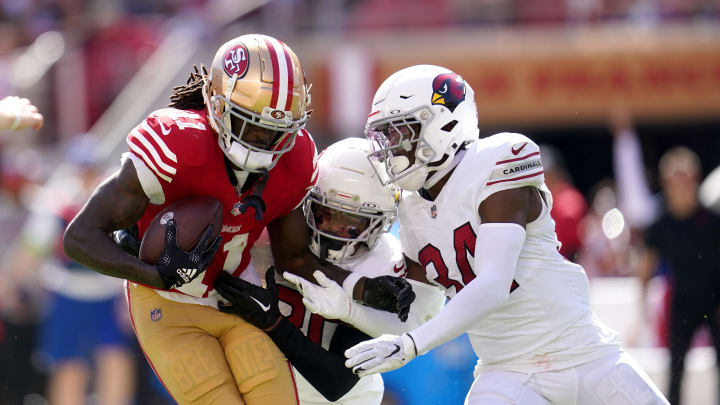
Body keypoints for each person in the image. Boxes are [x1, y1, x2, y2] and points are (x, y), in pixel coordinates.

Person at [63, 34, 412, 405]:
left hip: (233, 297)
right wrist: (154, 273)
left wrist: (361, 287)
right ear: (216, 104)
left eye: (279, 131)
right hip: (166, 303)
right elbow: (80, 238)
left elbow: (295, 259)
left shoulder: (295, 160)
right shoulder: (179, 143)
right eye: (254, 127)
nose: (266, 142)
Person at [343, 65, 669, 404]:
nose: (390, 149)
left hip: (583, 354)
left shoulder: (498, 159)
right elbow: (422, 307)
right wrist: (347, 303)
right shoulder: (411, 208)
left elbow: (494, 284)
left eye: (399, 133)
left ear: (443, 123)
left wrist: (411, 345)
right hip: (506, 372)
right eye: (385, 137)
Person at [214, 137, 446, 405]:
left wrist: (274, 323)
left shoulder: (383, 265)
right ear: (307, 203)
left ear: (382, 222)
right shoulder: (271, 235)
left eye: (352, 223)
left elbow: (337, 381)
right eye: (326, 213)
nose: (335, 231)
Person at [637, 147, 720, 405]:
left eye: (685, 178)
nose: (681, 185)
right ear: (665, 183)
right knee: (675, 368)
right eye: (675, 179)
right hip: (681, 302)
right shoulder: (660, 224)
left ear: (695, 179)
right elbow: (645, 270)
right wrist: (642, 312)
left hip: (714, 300)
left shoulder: (712, 220)